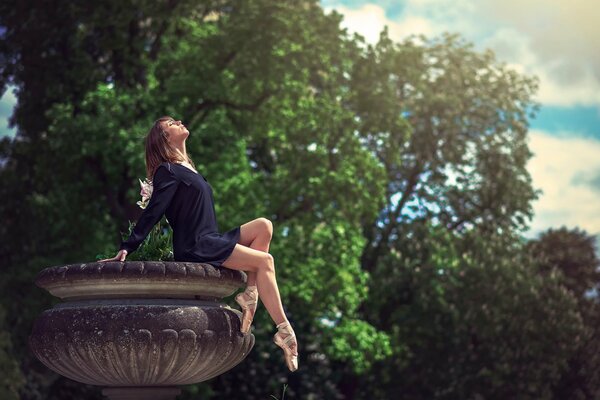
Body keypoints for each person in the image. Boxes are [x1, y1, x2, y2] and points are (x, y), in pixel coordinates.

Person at [99, 116, 298, 372]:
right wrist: (128, 245)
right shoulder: (167, 171)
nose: (179, 121)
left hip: (210, 239)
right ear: (165, 138)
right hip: (196, 246)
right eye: (171, 123)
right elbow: (153, 211)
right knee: (265, 262)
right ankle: (284, 330)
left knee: (264, 226)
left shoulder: (188, 168)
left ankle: (250, 293)